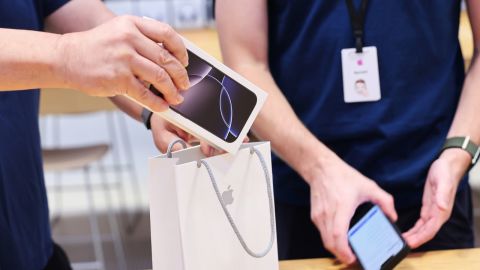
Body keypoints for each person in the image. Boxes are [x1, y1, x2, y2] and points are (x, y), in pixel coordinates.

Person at [195, 0, 480, 265]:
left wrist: (458, 152)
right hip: (304, 195)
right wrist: (320, 170)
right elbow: (245, 62)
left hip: (434, 194)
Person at [0, 0, 204, 269]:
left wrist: (159, 108)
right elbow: (82, 50)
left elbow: (89, 22)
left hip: (29, 240)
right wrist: (68, 55)